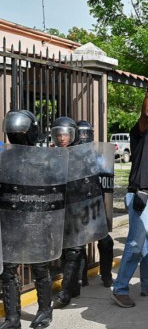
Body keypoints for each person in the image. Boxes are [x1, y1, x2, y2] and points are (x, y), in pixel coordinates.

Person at [111, 68, 148, 308]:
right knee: (135, 243)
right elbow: (144, 115)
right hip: (141, 196)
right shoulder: (140, 136)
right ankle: (120, 288)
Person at [0, 110, 53, 329]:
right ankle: (13, 318)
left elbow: (53, 190)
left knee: (40, 267)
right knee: (8, 269)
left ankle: (45, 310)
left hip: (36, 218)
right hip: (11, 218)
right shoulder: (4, 157)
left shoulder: (43, 159)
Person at [51, 116, 87, 309]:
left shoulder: (80, 154)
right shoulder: (52, 155)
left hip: (77, 208)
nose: (62, 138)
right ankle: (75, 286)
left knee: (74, 250)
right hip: (59, 209)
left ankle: (65, 293)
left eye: (65, 134)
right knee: (66, 251)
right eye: (58, 134)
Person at [74, 121, 115, 289]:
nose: (84, 137)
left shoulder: (99, 155)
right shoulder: (71, 155)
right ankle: (80, 278)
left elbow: (106, 180)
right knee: (79, 243)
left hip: (96, 206)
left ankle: (106, 275)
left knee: (106, 242)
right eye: (81, 134)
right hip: (77, 206)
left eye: (86, 134)